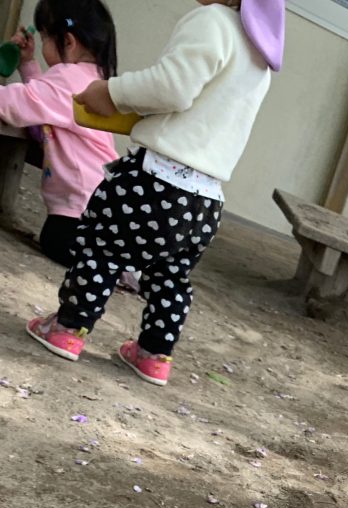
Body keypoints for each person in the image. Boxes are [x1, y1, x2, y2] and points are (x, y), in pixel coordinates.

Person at [25, 0, 284, 387]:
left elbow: (171, 88)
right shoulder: (259, 52)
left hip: (155, 179)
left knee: (101, 248)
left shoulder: (212, 21)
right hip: (206, 198)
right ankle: (154, 355)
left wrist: (111, 92)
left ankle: (67, 329)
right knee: (171, 277)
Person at [0, 0, 118, 267]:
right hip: (99, 202)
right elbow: (45, 102)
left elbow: (15, 104)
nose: (42, 46)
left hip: (82, 205)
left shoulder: (68, 79)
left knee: (56, 240)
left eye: (44, 38)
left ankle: (111, 265)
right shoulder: (92, 77)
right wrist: (28, 65)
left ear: (68, 41)